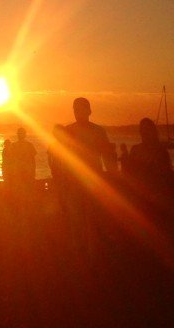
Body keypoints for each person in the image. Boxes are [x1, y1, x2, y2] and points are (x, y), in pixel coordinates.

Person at [62, 97, 113, 262]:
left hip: (94, 181)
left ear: (89, 111)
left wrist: (111, 178)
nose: (78, 113)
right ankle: (79, 253)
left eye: (81, 109)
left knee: (92, 217)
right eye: (75, 109)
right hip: (74, 181)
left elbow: (106, 155)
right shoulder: (68, 131)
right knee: (76, 218)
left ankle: (93, 254)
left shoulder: (98, 131)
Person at [127, 118, 174, 210]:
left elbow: (167, 176)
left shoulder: (161, 151)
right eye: (142, 130)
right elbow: (130, 173)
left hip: (157, 196)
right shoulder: (135, 149)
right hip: (140, 196)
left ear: (152, 131)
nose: (144, 133)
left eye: (146, 130)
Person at [10, 127, 37, 195]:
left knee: (20, 193)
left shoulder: (14, 146)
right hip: (24, 173)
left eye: (20, 133)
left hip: (20, 173)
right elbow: (33, 160)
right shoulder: (29, 145)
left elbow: (11, 160)